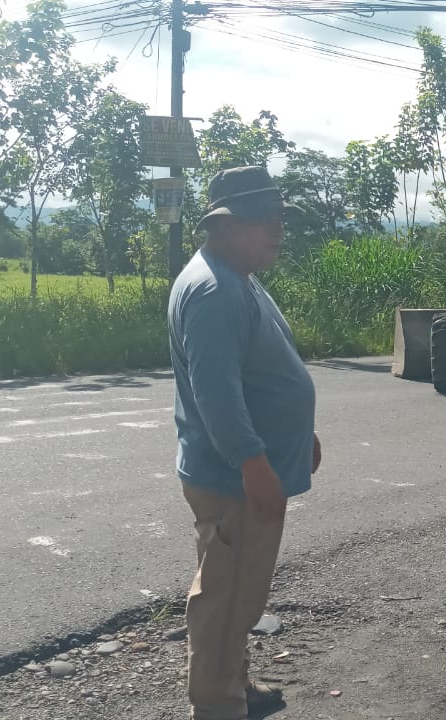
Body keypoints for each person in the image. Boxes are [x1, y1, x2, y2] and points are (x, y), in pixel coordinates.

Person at [167, 164, 321, 720]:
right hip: (233, 478)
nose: (277, 229)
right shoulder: (213, 291)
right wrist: (254, 464)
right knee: (226, 600)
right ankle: (217, 707)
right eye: (263, 219)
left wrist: (300, 432)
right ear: (225, 224)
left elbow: (258, 373)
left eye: (279, 217)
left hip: (245, 471)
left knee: (239, 592)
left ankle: (233, 687)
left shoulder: (236, 276)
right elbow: (217, 396)